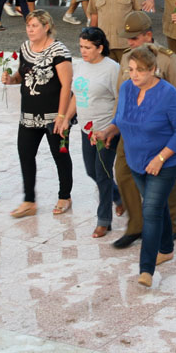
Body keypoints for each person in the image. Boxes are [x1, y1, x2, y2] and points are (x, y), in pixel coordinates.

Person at [94, 46, 176, 288]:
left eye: (139, 71)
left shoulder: (168, 95)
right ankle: (167, 249)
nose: (133, 75)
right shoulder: (127, 88)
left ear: (152, 70)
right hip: (136, 161)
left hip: (164, 164)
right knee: (156, 208)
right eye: (130, 70)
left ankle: (146, 268)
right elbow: (121, 118)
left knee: (150, 211)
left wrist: (160, 158)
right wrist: (108, 130)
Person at [111, 11, 176, 250]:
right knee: (123, 173)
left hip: (159, 133)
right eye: (128, 38)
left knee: (165, 180)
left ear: (148, 35)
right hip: (130, 130)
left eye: (134, 38)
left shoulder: (166, 59)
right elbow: (120, 95)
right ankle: (136, 226)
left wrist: (171, 139)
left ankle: (171, 226)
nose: (129, 43)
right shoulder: (127, 59)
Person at [1, 11, 74, 218]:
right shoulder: (25, 48)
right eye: (28, 26)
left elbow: (66, 85)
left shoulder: (59, 50)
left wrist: (62, 116)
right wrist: (11, 80)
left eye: (34, 26)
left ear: (46, 27)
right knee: (25, 155)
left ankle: (64, 195)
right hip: (29, 116)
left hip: (53, 116)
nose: (30, 30)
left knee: (60, 156)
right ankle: (29, 200)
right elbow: (22, 75)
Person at [67, 27, 122, 238]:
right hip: (85, 129)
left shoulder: (112, 69)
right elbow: (76, 96)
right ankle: (119, 198)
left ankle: (104, 221)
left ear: (100, 48)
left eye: (88, 47)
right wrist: (65, 118)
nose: (83, 51)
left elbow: (120, 99)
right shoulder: (80, 66)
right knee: (92, 171)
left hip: (105, 130)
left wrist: (112, 128)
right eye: (81, 46)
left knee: (103, 173)